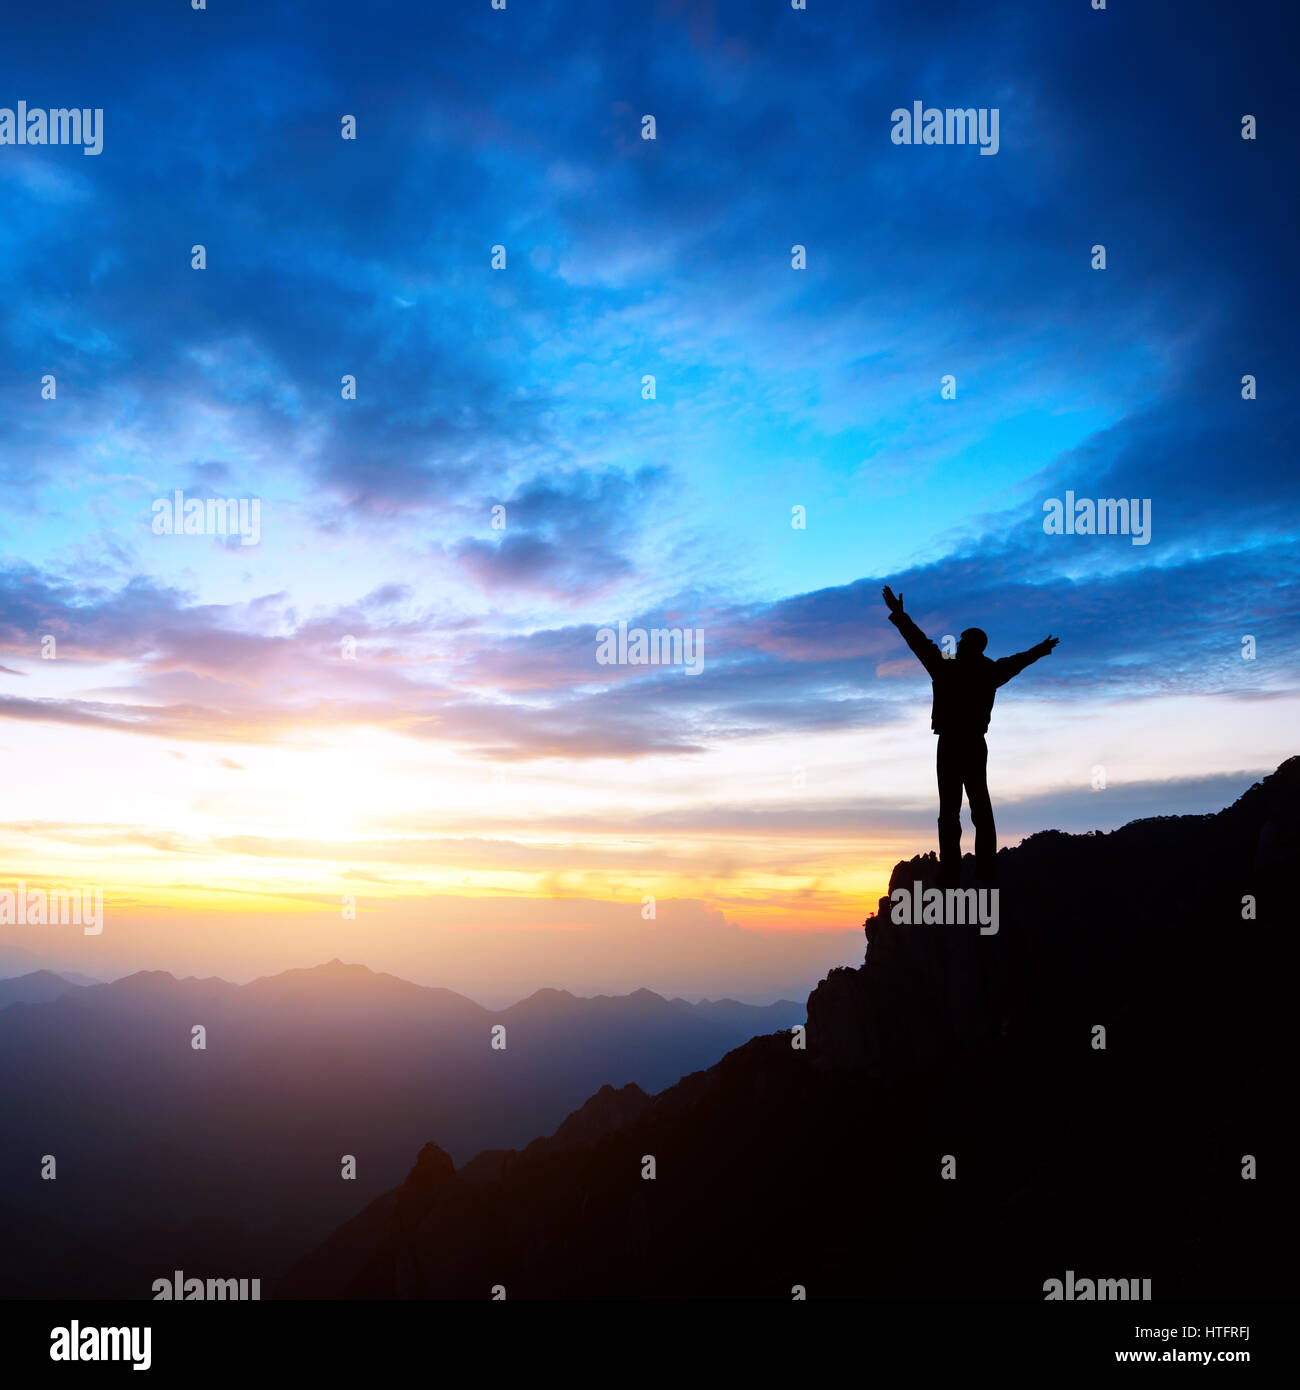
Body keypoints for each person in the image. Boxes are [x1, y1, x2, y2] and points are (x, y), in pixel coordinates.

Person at [882, 585, 1058, 887]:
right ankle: (977, 873)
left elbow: (919, 643)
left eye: (963, 640)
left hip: (953, 743)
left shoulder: (947, 668)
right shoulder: (983, 670)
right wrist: (1039, 651)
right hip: (970, 743)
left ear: (972, 645)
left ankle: (956, 873)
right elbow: (1017, 662)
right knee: (971, 810)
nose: (959, 643)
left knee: (957, 811)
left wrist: (900, 616)